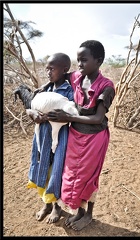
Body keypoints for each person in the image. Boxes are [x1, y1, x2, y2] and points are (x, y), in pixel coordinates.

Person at [47, 40, 115, 230]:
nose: (80, 65)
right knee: (73, 174)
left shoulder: (106, 86)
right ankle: (79, 211)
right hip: (75, 134)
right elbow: (59, 74)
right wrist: (42, 88)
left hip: (95, 137)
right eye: (78, 60)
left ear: (98, 61)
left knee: (90, 176)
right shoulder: (77, 77)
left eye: (84, 60)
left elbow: (97, 118)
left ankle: (89, 215)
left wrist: (69, 116)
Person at [26, 52, 74, 224]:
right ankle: (46, 205)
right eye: (47, 69)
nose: (48, 72)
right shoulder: (45, 89)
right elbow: (29, 107)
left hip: (59, 138)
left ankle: (57, 208)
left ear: (64, 70)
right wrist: (32, 113)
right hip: (41, 137)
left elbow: (72, 113)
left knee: (56, 170)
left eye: (52, 69)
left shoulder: (69, 91)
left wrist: (53, 116)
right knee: (42, 168)